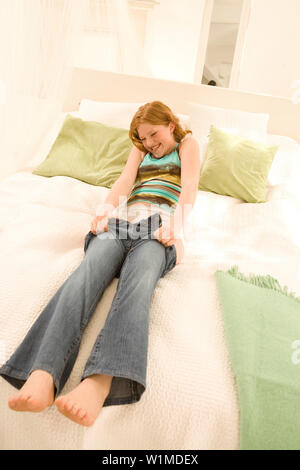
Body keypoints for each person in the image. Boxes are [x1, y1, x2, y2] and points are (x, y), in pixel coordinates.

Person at [0, 101, 201, 427]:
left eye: (154, 134)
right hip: (122, 223)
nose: (150, 142)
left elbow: (189, 188)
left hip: (159, 228)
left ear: (171, 125)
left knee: (137, 286)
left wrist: (175, 226)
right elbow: (124, 182)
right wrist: (104, 210)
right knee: (84, 277)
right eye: (143, 138)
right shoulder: (141, 151)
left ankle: (99, 382)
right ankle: (42, 373)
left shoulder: (188, 144)